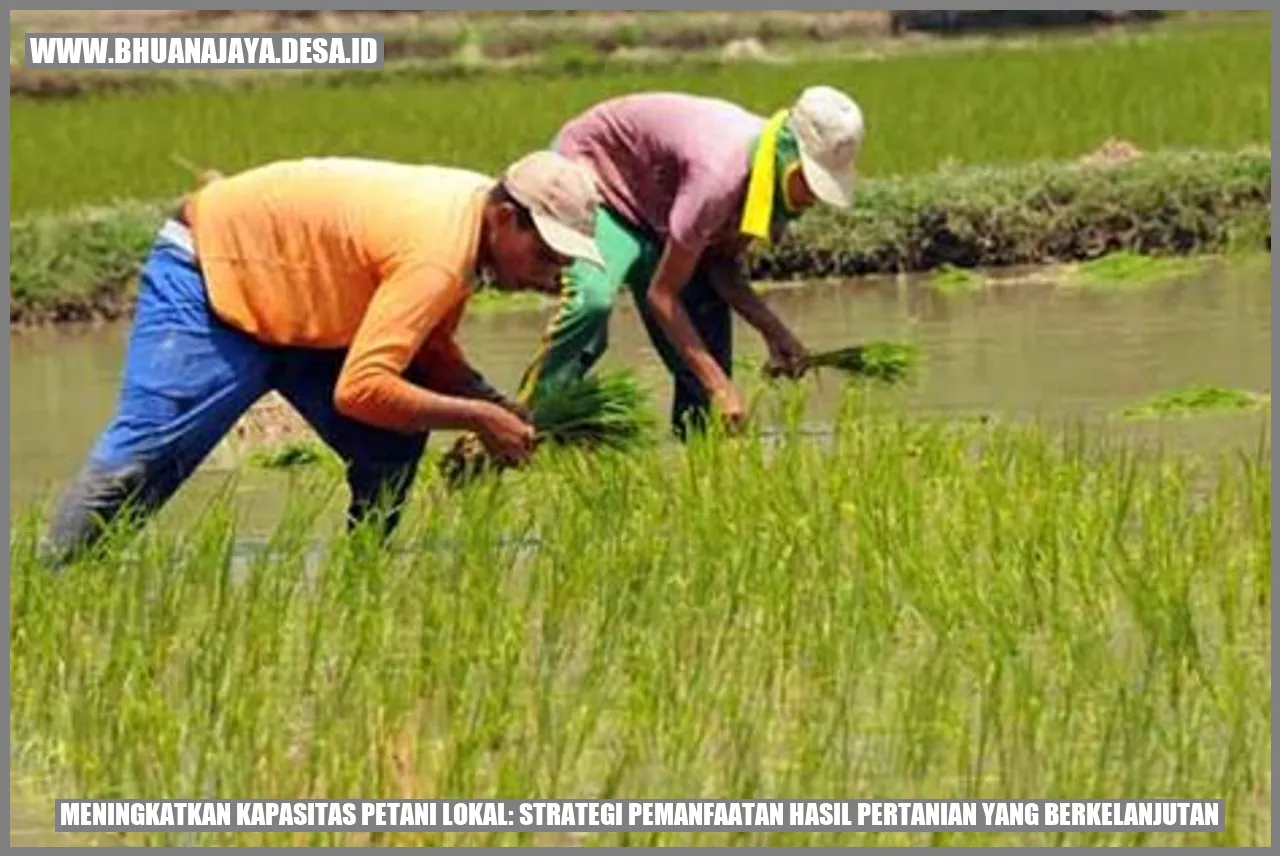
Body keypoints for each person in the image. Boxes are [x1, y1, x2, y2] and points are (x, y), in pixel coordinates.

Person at [43, 150, 606, 566]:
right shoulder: (439, 251)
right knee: (147, 454)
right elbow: (360, 389)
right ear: (505, 218)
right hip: (214, 271)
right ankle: (46, 584)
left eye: (561, 261)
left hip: (304, 305)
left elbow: (429, 346)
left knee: (389, 441)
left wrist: (490, 399)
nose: (549, 274)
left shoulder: (469, 228)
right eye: (543, 253)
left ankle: (363, 579)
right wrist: (480, 420)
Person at [514, 86, 866, 439]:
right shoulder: (719, 176)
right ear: (790, 159)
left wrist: (775, 333)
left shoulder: (765, 182)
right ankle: (518, 426)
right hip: (596, 180)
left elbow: (720, 266)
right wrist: (721, 386)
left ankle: (697, 455)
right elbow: (662, 295)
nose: (814, 198)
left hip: (657, 209)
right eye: (811, 181)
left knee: (705, 349)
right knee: (592, 303)